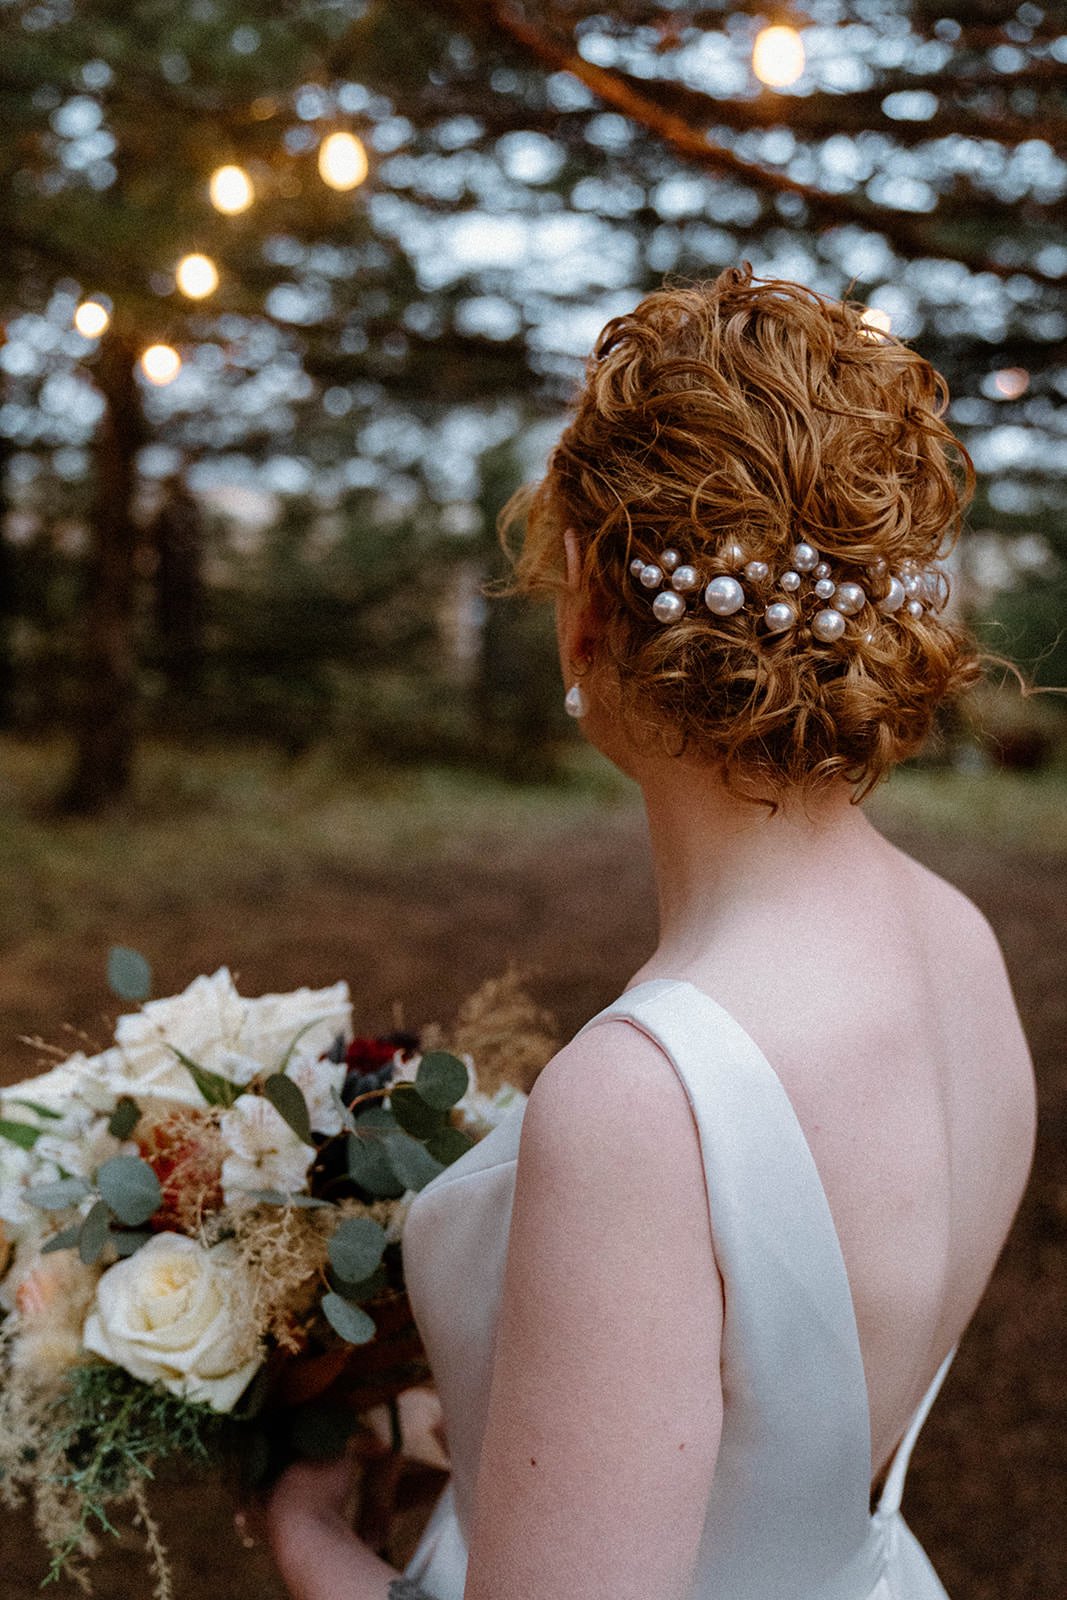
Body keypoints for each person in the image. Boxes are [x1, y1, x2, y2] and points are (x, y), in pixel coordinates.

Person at [263, 266, 1038, 1600]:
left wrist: (312, 1544)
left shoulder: (645, 1102)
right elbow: (772, 1435)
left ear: (586, 615)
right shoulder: (960, 943)